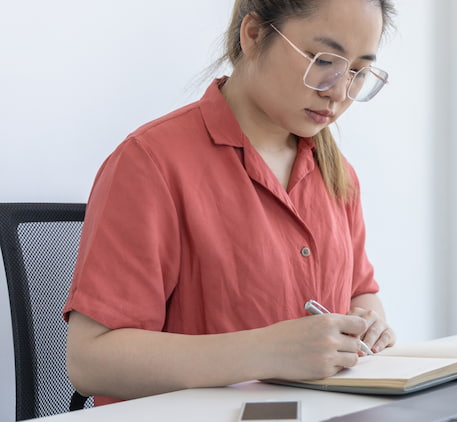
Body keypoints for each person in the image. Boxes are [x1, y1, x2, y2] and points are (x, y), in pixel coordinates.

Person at [64, 0, 397, 405]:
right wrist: (269, 351)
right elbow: (91, 362)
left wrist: (368, 322)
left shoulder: (336, 173)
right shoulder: (150, 163)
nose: (341, 92)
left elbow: (360, 294)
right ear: (254, 34)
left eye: (359, 71)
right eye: (324, 60)